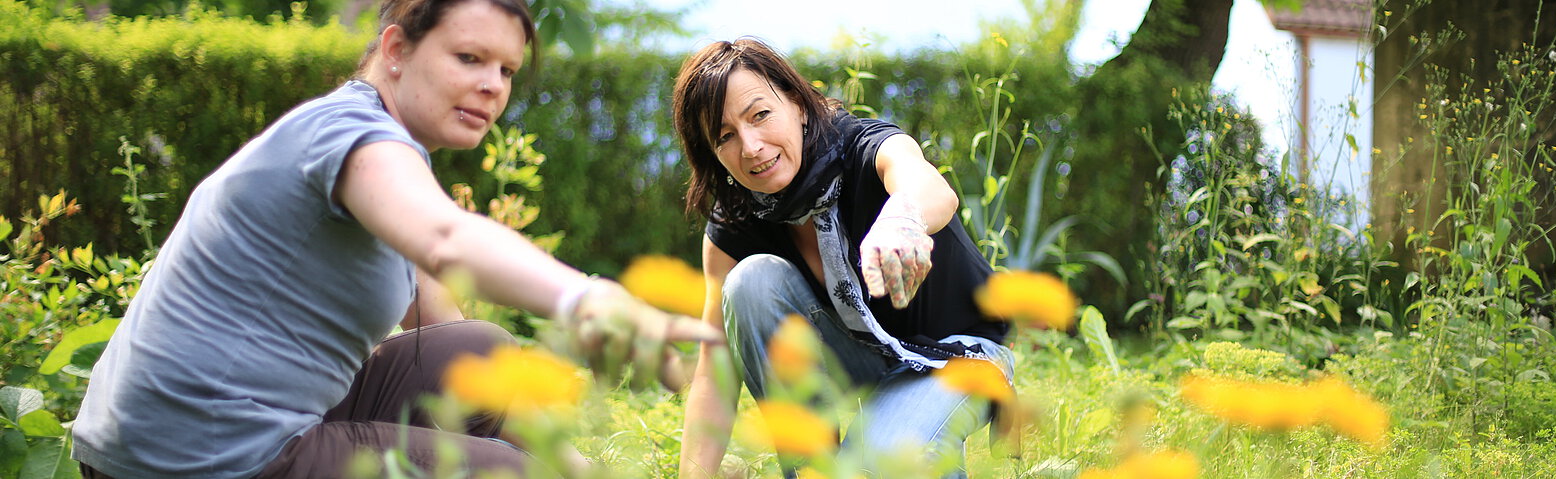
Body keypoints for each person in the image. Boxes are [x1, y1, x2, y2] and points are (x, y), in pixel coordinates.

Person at [70, 1, 717, 477]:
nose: (493, 85)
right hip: (190, 455)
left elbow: (443, 324)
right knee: (505, 472)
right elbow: (446, 238)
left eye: (507, 69)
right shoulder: (347, 135)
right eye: (469, 58)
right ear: (397, 49)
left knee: (481, 349)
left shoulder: (394, 154)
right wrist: (593, 301)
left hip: (226, 426)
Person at [671, 38, 1015, 479]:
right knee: (749, 282)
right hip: (859, 354)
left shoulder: (859, 146)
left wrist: (902, 222)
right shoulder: (736, 222)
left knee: (884, 461)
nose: (751, 145)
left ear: (796, 103)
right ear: (713, 154)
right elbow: (712, 372)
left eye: (760, 114)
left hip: (954, 356)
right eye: (725, 136)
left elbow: (927, 186)